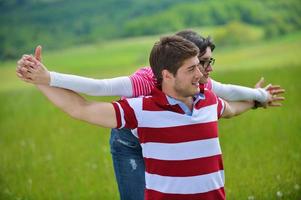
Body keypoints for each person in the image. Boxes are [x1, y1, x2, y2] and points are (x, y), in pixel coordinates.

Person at [17, 30, 285, 200]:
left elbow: (231, 102)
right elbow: (90, 97)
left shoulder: (207, 96)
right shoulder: (142, 98)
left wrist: (259, 99)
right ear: (167, 74)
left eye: (204, 64)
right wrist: (44, 78)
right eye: (196, 66)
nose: (204, 73)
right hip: (130, 139)